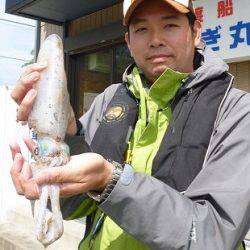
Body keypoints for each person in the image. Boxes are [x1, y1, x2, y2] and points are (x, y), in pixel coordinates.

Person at [9, 0, 250, 249]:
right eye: (142, 29)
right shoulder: (109, 98)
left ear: (196, 31)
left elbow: (214, 236)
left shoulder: (237, 111)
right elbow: (74, 206)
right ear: (128, 41)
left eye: (169, 25)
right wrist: (65, 138)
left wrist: (109, 181)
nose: (155, 39)